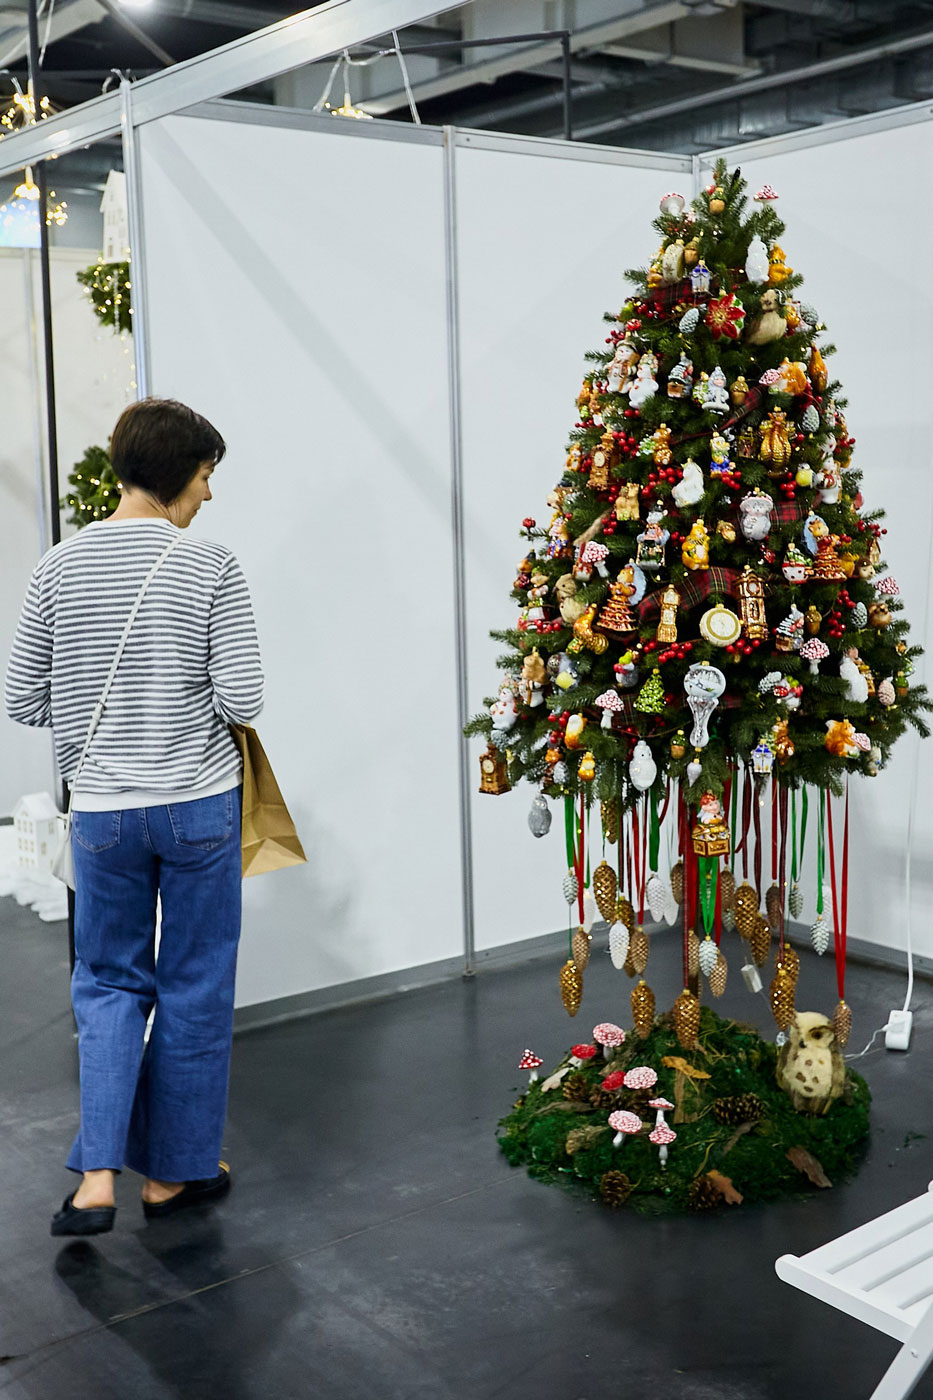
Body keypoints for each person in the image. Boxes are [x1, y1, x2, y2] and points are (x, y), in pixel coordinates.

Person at [4, 398, 263, 1236]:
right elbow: (244, 698)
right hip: (197, 809)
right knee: (195, 985)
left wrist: (99, 719)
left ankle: (95, 1182)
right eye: (206, 475)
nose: (209, 494)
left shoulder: (57, 567)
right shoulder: (211, 565)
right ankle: (172, 1177)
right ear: (180, 474)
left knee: (108, 985)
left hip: (103, 818)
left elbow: (22, 698)